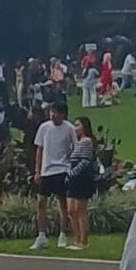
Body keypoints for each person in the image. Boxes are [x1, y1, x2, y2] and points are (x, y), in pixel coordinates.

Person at [31, 104, 76, 251]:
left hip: (62, 169)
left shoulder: (69, 128)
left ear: (63, 114)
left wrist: (70, 164)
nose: (53, 115)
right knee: (41, 203)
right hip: (46, 170)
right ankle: (42, 235)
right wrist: (37, 171)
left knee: (63, 204)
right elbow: (40, 149)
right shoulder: (44, 128)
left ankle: (62, 234)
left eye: (56, 112)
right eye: (51, 112)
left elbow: (75, 148)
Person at [61, 117, 100, 252]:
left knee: (80, 209)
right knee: (71, 210)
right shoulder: (76, 143)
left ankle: (83, 241)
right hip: (73, 178)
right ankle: (76, 238)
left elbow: (85, 161)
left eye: (78, 125)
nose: (75, 128)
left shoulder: (86, 142)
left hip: (82, 178)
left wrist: (72, 173)